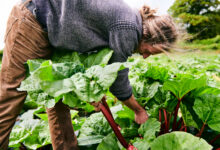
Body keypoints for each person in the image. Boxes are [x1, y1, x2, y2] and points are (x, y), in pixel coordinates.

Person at [0, 0, 177, 149]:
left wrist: (90, 93)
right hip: (32, 21)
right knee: (11, 92)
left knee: (58, 98)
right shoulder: (129, 27)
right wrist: (138, 111)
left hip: (51, 33)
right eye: (150, 52)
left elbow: (92, 58)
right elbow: (118, 78)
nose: (145, 56)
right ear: (152, 36)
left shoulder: (128, 20)